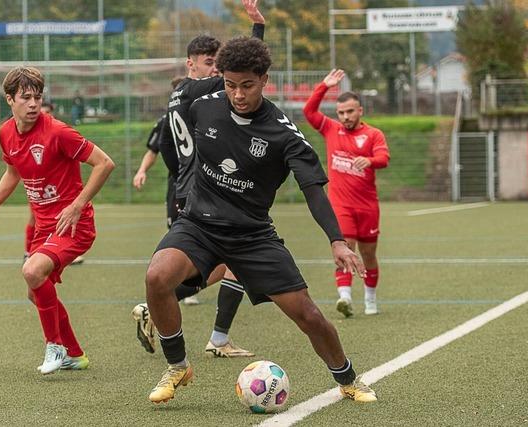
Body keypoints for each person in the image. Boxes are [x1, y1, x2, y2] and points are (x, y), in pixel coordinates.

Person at [144, 36, 377, 404]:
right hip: (199, 225)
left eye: (248, 85)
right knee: (157, 276)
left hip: (252, 235)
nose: (238, 94)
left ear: (265, 79)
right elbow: (189, 91)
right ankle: (178, 366)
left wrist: (336, 239)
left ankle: (348, 379)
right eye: (230, 84)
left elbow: (313, 190)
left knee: (308, 315)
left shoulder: (284, 134)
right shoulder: (201, 105)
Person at [132, 0, 265, 359]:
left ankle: (208, 333)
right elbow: (248, 72)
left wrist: (180, 179)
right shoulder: (199, 90)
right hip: (205, 195)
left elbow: (167, 148)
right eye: (211, 63)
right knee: (233, 263)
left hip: (188, 191)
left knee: (217, 266)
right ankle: (205, 333)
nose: (218, 70)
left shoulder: (177, 96)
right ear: (190, 64)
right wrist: (257, 31)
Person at [0, 66, 114, 374]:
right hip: (44, 229)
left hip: (74, 226)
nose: (34, 103)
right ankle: (75, 354)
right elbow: (12, 173)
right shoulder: (5, 133)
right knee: (34, 288)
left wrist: (78, 204)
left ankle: (56, 347)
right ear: (10, 100)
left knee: (32, 271)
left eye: (38, 97)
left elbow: (104, 164)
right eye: (26, 97)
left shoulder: (58, 132)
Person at [303, 69, 390, 317]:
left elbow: (384, 158)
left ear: (360, 110)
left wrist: (370, 160)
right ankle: (345, 297)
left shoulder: (373, 134)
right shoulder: (331, 129)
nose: (345, 117)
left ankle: (370, 299)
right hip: (341, 205)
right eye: (341, 112)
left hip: (368, 206)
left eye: (350, 111)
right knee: (345, 247)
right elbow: (309, 112)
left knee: (368, 255)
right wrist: (324, 86)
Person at [132, 77, 198, 304]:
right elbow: (153, 150)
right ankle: (181, 284)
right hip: (179, 183)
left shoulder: (206, 113)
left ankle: (191, 282)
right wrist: (141, 171)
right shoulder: (166, 120)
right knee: (178, 231)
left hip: (203, 183)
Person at [21, 102, 86, 266]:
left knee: (63, 217)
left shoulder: (59, 132)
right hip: (40, 189)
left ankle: (62, 251)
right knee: (34, 218)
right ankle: (29, 252)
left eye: (46, 111)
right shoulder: (27, 134)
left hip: (60, 190)